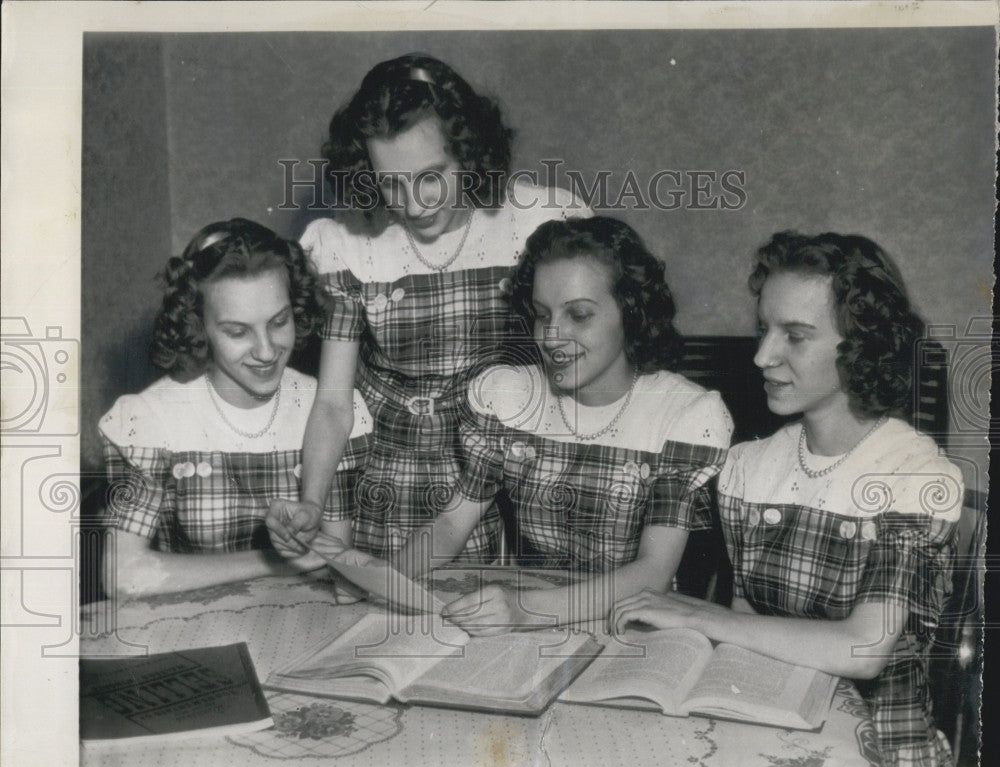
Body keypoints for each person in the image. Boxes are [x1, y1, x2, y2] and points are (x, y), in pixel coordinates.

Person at [612, 231, 963, 767]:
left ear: (862, 347)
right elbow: (748, 632)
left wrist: (707, 616)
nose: (761, 355)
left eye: (795, 337)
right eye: (762, 329)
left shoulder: (916, 475)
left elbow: (864, 648)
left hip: (883, 751)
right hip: (773, 725)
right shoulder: (748, 467)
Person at [267, 53, 588, 562]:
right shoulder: (347, 245)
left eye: (432, 176)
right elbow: (333, 402)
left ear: (470, 150)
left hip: (514, 462)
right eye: (390, 183)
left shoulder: (542, 221)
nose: (414, 204)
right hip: (399, 478)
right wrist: (312, 500)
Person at [389, 216, 732, 634]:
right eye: (541, 315)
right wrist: (386, 579)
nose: (552, 337)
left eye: (579, 315)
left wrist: (526, 610)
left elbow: (653, 573)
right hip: (524, 619)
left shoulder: (683, 415)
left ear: (631, 312)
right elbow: (451, 524)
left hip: (632, 625)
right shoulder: (510, 397)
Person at [99, 219, 372, 598]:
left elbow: (335, 566)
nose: (266, 351)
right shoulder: (149, 419)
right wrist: (273, 561)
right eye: (237, 331)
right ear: (199, 326)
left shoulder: (329, 413)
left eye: (279, 322)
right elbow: (123, 576)